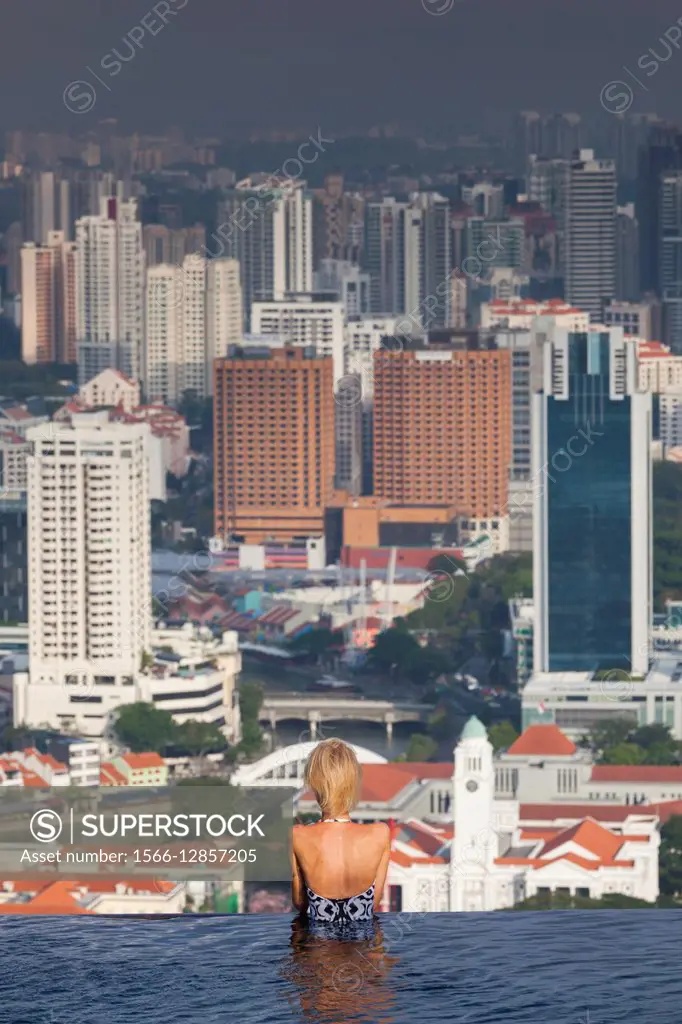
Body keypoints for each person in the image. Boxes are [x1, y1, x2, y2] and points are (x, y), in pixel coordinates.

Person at [290, 738, 391, 928]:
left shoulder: (298, 835)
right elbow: (374, 903)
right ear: (353, 782)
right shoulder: (380, 834)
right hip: (362, 952)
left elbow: (301, 904)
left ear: (314, 784)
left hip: (319, 953)